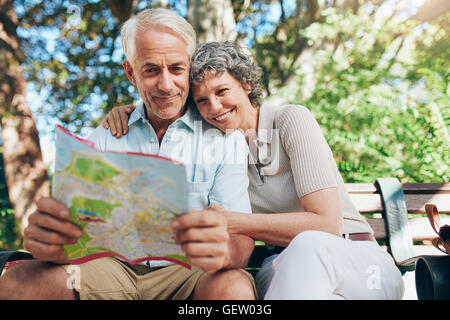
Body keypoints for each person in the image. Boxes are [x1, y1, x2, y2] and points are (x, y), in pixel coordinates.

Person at [103, 41, 405, 299]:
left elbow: (326, 224)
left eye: (223, 91)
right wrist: (127, 112)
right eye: (202, 100)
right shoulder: (217, 147)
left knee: (308, 245)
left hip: (360, 267)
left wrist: (231, 221)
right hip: (286, 270)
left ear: (246, 84)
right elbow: (163, 106)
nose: (215, 106)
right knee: (260, 280)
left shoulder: (290, 120)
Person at [0, 9, 257, 300]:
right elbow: (68, 233)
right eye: (151, 70)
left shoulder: (224, 138)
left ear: (189, 68)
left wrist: (220, 249)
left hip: (189, 272)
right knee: (20, 280)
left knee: (233, 287)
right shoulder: (106, 137)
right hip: (111, 270)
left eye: (176, 68)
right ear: (131, 72)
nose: (165, 84)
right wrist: (49, 241)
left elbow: (241, 242)